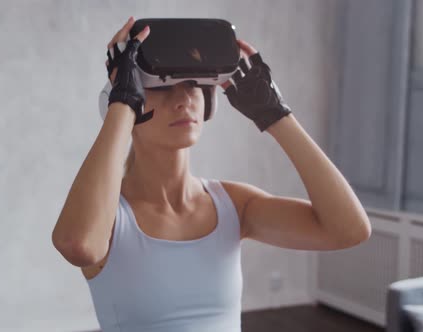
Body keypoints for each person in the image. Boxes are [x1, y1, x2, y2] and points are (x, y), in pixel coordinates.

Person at [52, 16, 372, 332]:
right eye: (161, 86)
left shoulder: (233, 206)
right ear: (130, 99)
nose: (183, 99)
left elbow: (348, 230)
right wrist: (120, 105)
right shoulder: (108, 217)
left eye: (192, 84)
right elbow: (79, 245)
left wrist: (276, 115)